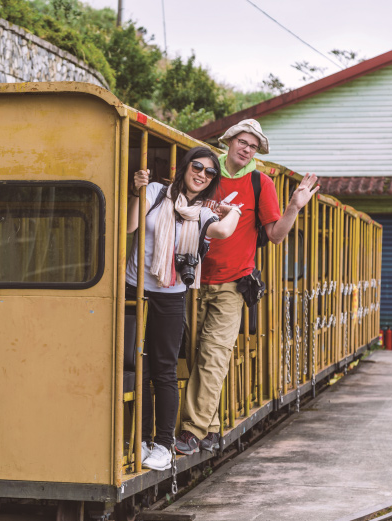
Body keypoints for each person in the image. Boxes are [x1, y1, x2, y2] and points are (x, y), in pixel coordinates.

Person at [175, 119, 319, 455]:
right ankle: (211, 429)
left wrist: (293, 208)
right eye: (242, 142)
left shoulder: (261, 182)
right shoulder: (207, 172)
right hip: (190, 280)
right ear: (229, 141)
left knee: (213, 355)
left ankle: (191, 432)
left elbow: (275, 235)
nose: (247, 149)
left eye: (253, 146)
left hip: (232, 284)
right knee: (195, 354)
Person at [126, 146, 241, 471]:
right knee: (138, 367)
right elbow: (131, 226)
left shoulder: (203, 213)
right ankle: (143, 441)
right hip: (135, 289)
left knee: (163, 370)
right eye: (197, 166)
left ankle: (163, 444)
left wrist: (234, 210)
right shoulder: (155, 192)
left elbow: (224, 230)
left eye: (209, 172)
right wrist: (137, 191)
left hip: (170, 296)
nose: (202, 174)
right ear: (186, 166)